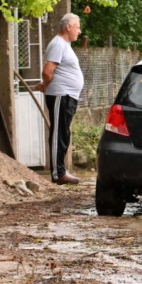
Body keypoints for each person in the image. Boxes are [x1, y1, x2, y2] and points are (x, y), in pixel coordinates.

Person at [42, 13, 84, 185]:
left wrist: (43, 84)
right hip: (61, 95)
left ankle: (61, 171)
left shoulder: (64, 45)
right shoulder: (58, 44)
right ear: (68, 27)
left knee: (64, 133)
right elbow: (47, 71)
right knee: (58, 133)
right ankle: (57, 173)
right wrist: (46, 86)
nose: (79, 31)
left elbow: (56, 71)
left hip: (67, 95)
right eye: (78, 27)